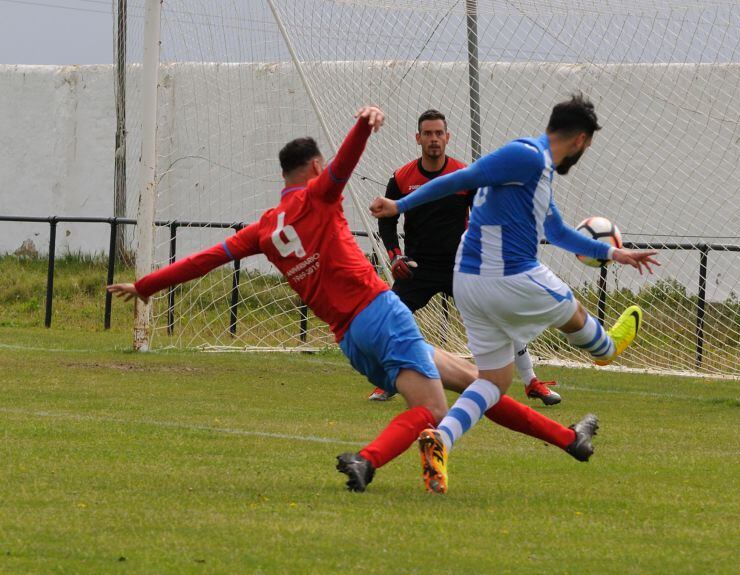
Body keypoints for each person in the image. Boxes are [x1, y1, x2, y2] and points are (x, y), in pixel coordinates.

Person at [107, 106, 600, 495]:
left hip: (349, 338)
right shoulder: (318, 196)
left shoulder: (262, 229)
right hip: (381, 312)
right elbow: (345, 165)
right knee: (431, 412)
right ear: (315, 168)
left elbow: (206, 259)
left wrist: (145, 286)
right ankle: (368, 459)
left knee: (477, 383)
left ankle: (570, 441)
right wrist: (364, 124)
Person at [371, 93, 660, 494]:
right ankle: (606, 348)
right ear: (579, 140)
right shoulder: (526, 155)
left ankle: (441, 440)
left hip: (471, 283)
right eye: (587, 147)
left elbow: (557, 231)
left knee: (492, 382)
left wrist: (615, 253)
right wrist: (400, 204)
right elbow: (461, 179)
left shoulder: (537, 173)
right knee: (571, 307)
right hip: (506, 274)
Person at [371, 108, 563, 406]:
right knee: (388, 318)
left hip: (462, 267)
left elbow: (484, 215)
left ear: (447, 137)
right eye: (428, 134)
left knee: (502, 318)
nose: (433, 139)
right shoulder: (400, 178)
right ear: (417, 138)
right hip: (418, 268)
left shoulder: (463, 175)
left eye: (439, 133)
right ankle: (388, 381)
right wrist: (395, 256)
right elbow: (387, 219)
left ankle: (531, 382)